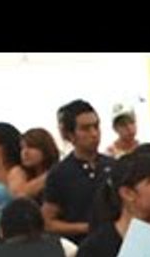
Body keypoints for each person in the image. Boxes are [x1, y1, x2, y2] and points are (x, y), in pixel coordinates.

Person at [43, 99, 114, 244]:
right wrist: (86, 228)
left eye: (96, 126)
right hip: (80, 249)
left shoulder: (114, 166)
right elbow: (48, 222)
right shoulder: (59, 174)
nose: (94, 134)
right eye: (85, 128)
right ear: (70, 134)